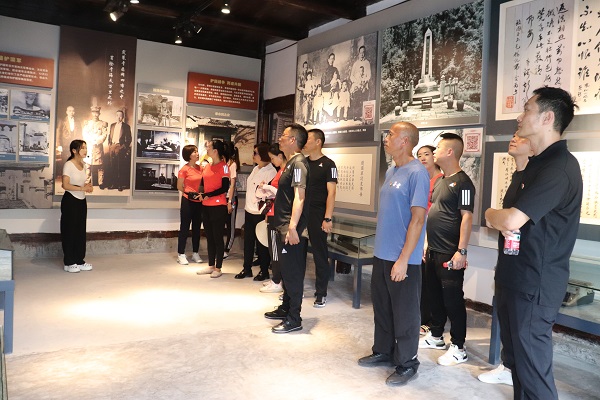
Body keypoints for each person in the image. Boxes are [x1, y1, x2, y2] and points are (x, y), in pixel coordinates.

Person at [485, 87, 582, 399]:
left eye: (527, 109)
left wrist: (489, 213)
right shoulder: (536, 165)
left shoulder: (560, 167)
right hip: (514, 277)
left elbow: (511, 220)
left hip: (535, 285)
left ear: (547, 118)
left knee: (534, 373)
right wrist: (499, 218)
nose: (520, 116)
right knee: (517, 365)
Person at [357, 122, 429, 386]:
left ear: (405, 141)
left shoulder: (417, 173)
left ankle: (408, 363)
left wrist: (403, 259)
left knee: (405, 312)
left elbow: (418, 219)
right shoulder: (391, 171)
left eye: (391, 134)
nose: (386, 138)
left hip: (403, 258)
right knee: (383, 307)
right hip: (382, 253)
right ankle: (384, 351)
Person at [478, 133, 533, 388]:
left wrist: (494, 216)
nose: (514, 138)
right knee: (506, 316)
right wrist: (495, 218)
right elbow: (497, 220)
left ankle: (518, 372)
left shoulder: (537, 178)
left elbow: (505, 219)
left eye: (521, 136)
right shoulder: (516, 177)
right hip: (508, 259)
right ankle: (509, 366)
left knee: (522, 328)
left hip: (527, 266)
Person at [419, 132, 475, 367]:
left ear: (450, 152)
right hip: (433, 249)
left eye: (439, 148)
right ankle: (436, 336)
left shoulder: (463, 183)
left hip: (450, 252)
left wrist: (461, 251)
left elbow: (467, 217)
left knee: (453, 300)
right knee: (434, 296)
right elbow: (433, 213)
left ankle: (459, 347)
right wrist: (426, 244)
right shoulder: (441, 180)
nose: (435, 151)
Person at [264, 123, 310, 333]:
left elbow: (300, 197)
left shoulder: (299, 164)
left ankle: (294, 318)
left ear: (293, 140)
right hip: (282, 225)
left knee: (292, 274)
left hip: (291, 228)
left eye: (283, 135)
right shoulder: (290, 163)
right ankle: (286, 308)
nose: (279, 138)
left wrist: (292, 227)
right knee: (285, 270)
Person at [303, 128, 337, 307]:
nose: (305, 142)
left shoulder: (329, 164)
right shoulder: (302, 163)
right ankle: (295, 289)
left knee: (319, 254)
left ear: (318, 142)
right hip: (301, 212)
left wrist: (328, 218)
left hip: (318, 214)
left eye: (308, 139)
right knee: (297, 252)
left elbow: (332, 193)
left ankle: (321, 292)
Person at [236, 143, 277, 280]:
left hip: (261, 213)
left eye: (255, 153)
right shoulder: (255, 169)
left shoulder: (271, 171)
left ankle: (264, 271)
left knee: (262, 244)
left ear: (263, 155)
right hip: (249, 210)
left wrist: (266, 214)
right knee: (248, 242)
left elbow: (270, 195)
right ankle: (246, 268)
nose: (253, 155)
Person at [415, 144, 443, 336]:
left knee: (429, 281)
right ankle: (422, 316)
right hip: (419, 231)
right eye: (419, 155)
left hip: (433, 234)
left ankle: (430, 320)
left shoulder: (441, 180)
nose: (423, 158)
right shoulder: (422, 179)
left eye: (427, 154)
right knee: (421, 278)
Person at [196, 140, 230, 279]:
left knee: (217, 237)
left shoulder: (224, 167)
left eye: (209, 147)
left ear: (215, 151)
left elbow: (225, 187)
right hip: (206, 206)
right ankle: (211, 265)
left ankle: (218, 267)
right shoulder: (207, 166)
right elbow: (203, 184)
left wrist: (208, 195)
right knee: (209, 237)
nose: (207, 149)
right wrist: (201, 193)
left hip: (218, 206)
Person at [61, 139, 94, 273]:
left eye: (86, 148)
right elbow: (65, 185)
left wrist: (87, 187)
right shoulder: (68, 165)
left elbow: (81, 183)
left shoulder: (84, 165)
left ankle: (79, 260)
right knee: (69, 230)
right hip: (70, 200)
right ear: (74, 150)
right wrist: (82, 189)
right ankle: (69, 262)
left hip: (81, 200)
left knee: (80, 230)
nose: (85, 150)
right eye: (82, 148)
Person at [257, 143, 286, 294]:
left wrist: (269, 188)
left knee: (276, 249)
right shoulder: (280, 170)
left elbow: (282, 194)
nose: (272, 161)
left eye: (273, 158)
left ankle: (277, 281)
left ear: (280, 156)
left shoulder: (285, 171)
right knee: (273, 248)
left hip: (278, 214)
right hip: (273, 212)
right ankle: (276, 278)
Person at [176, 144, 204, 266]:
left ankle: (195, 252)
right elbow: (179, 186)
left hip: (199, 201)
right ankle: (181, 254)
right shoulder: (184, 169)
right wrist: (189, 193)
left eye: (197, 151)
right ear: (189, 155)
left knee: (197, 227)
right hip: (187, 200)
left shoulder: (201, 168)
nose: (197, 154)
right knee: (185, 227)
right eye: (194, 152)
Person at [82, 106, 108, 189]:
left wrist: (97, 141)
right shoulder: (87, 123)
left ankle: (101, 183)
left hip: (98, 148)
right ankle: (87, 182)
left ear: (99, 113)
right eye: (94, 113)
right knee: (88, 166)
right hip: (89, 147)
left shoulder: (102, 124)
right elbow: (84, 134)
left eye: (97, 113)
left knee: (100, 166)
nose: (95, 115)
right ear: (91, 113)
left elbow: (104, 135)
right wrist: (90, 140)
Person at [106, 109, 132, 191]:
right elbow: (110, 136)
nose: (119, 117)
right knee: (112, 166)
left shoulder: (126, 126)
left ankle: (120, 185)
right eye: (117, 115)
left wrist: (122, 147)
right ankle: (113, 184)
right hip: (112, 147)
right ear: (115, 116)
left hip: (119, 147)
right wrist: (110, 144)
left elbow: (129, 139)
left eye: (120, 116)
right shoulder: (112, 125)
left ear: (123, 117)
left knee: (119, 166)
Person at [224, 142, 240, 259]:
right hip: (222, 198)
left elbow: (232, 185)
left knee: (230, 224)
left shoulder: (233, 165)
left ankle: (227, 249)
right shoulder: (224, 163)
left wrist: (229, 201)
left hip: (231, 198)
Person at [57, 106, 81, 174]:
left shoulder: (77, 121)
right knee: (65, 160)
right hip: (65, 145)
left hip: (75, 145)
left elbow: (80, 133)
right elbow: (58, 133)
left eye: (73, 111)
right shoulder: (62, 121)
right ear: (66, 112)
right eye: (70, 111)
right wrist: (59, 145)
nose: (71, 112)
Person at [350, 45, 372, 120]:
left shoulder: (367, 63)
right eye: (361, 52)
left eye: (363, 52)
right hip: (357, 83)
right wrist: (357, 82)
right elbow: (351, 76)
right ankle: (356, 115)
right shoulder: (356, 64)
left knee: (364, 94)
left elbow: (369, 75)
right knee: (356, 95)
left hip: (364, 83)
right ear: (359, 53)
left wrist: (364, 82)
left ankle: (365, 115)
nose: (362, 54)